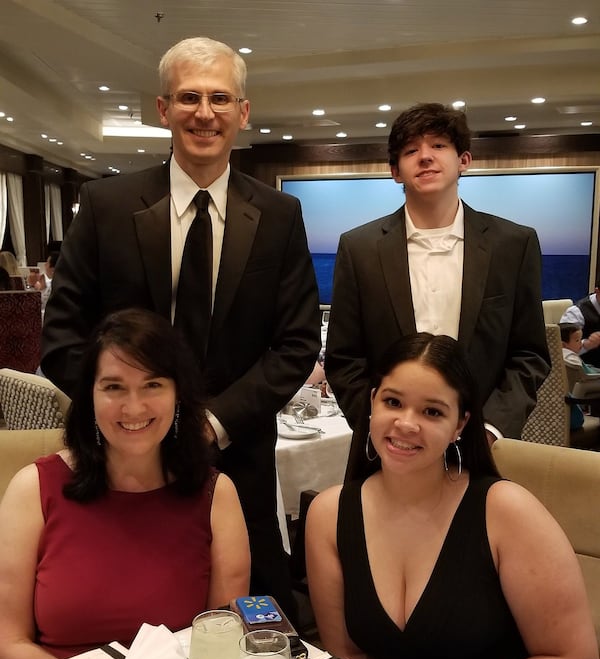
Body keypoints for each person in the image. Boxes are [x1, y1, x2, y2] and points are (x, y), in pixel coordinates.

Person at [41, 37, 321, 619]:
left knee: (249, 625)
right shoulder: (105, 204)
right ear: (163, 109)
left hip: (237, 456)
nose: (205, 112)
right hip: (121, 459)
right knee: (122, 610)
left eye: (221, 98)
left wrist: (211, 424)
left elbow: (295, 345)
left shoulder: (278, 215)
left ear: (243, 112)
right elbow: (63, 338)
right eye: (189, 97)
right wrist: (128, 417)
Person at [306, 333, 600, 659]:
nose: (407, 423)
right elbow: (348, 654)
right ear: (371, 403)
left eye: (431, 411)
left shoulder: (505, 511)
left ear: (460, 425)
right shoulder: (329, 515)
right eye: (392, 402)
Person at [0, 308, 250, 659]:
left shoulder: (217, 496)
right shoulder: (32, 489)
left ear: (178, 395)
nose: (133, 407)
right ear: (90, 396)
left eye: (153, 385)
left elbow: (219, 641)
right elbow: (8, 642)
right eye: (114, 387)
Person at [325, 102, 549, 479]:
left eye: (439, 146)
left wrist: (489, 428)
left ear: (464, 160)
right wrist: (381, 427)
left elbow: (529, 354)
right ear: (395, 171)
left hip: (480, 450)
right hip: (384, 452)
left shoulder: (513, 244)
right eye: (411, 151)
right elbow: (344, 358)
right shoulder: (359, 247)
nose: (425, 157)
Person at [560, 288, 600, 367]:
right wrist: (586, 344)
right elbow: (562, 350)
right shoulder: (576, 312)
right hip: (586, 372)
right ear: (597, 291)